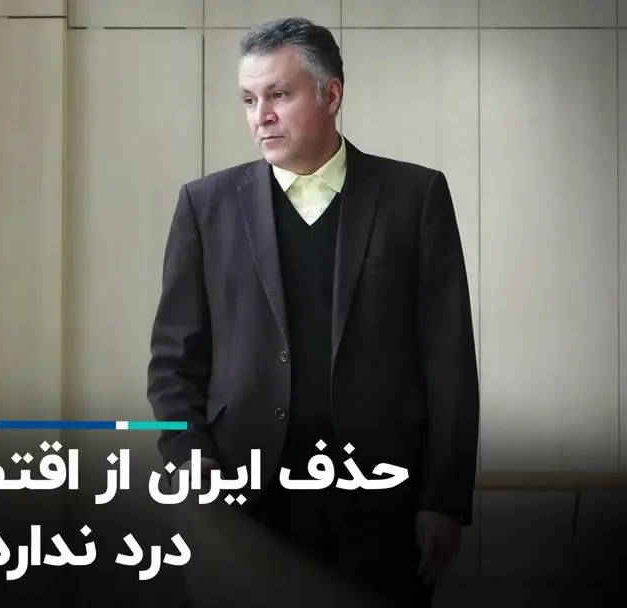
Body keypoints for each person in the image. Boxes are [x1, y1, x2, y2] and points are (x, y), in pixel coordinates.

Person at [146, 16, 480, 608]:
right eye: (249, 99)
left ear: (331, 94)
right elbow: (173, 364)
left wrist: (444, 499)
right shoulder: (205, 205)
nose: (261, 116)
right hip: (244, 505)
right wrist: (192, 469)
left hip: (384, 507)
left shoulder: (415, 197)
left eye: (279, 94)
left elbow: (449, 361)